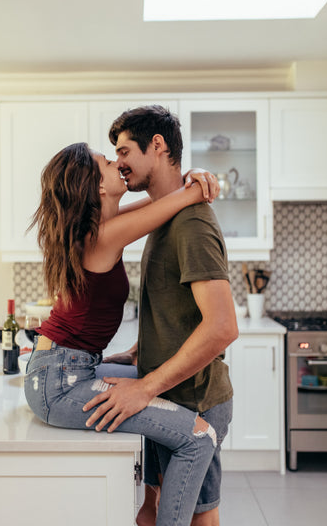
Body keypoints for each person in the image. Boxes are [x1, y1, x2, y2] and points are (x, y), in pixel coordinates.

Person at [24, 141, 221, 526]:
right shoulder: (102, 237)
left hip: (62, 368)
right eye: (108, 161)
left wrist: (189, 182)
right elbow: (170, 204)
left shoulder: (101, 229)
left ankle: (149, 509)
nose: (119, 164)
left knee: (160, 378)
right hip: (60, 382)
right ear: (96, 186)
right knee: (199, 439)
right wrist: (201, 182)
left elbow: (157, 203)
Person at [84, 106, 238, 526]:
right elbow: (177, 308)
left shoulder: (191, 222)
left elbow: (223, 327)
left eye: (124, 150)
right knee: (150, 511)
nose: (119, 163)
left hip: (195, 400)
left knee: (198, 518)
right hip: (167, 394)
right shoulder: (164, 217)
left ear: (157, 146)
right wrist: (140, 351)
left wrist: (144, 388)